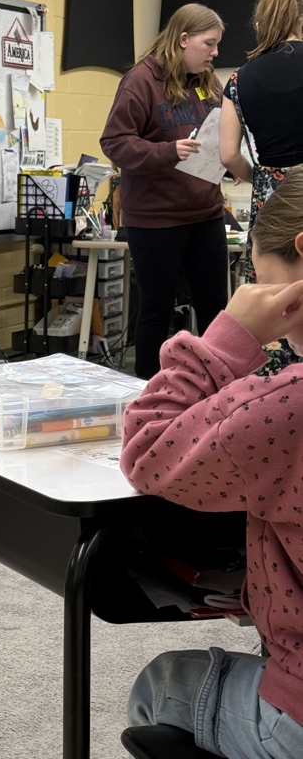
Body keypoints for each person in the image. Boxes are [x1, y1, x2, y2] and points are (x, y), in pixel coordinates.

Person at [120, 164, 303, 758]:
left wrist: (227, 337)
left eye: (263, 279)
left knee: (163, 683)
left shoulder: (284, 406)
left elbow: (147, 448)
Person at [100, 4, 229, 379]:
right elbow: (114, 141)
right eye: (209, 43)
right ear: (183, 39)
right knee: (155, 309)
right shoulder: (140, 81)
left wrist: (230, 160)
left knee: (216, 311)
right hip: (156, 219)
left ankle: (216, 390)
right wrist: (165, 151)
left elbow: (223, 129)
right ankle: (145, 394)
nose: (215, 53)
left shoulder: (207, 81)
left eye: (218, 44)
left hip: (205, 213)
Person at [220, 0, 303, 282]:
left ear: (260, 25)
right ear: (299, 20)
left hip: (271, 198)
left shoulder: (238, 79)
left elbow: (229, 154)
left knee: (272, 290)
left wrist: (262, 176)